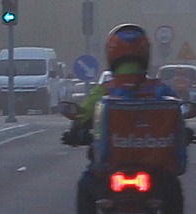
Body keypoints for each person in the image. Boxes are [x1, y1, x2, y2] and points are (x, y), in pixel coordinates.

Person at [63, 24, 187, 214]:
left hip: (109, 170)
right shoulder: (161, 90)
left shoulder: (104, 91)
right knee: (173, 191)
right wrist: (184, 134)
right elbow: (177, 120)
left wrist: (75, 134)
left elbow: (82, 119)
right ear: (145, 55)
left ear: (111, 55)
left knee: (85, 187)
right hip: (156, 171)